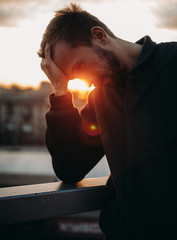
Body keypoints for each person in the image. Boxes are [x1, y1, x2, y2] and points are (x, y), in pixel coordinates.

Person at [38, 3, 177, 240]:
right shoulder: (100, 98)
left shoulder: (172, 63)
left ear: (100, 36)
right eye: (75, 78)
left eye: (80, 67)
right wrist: (60, 90)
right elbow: (70, 168)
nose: (88, 83)